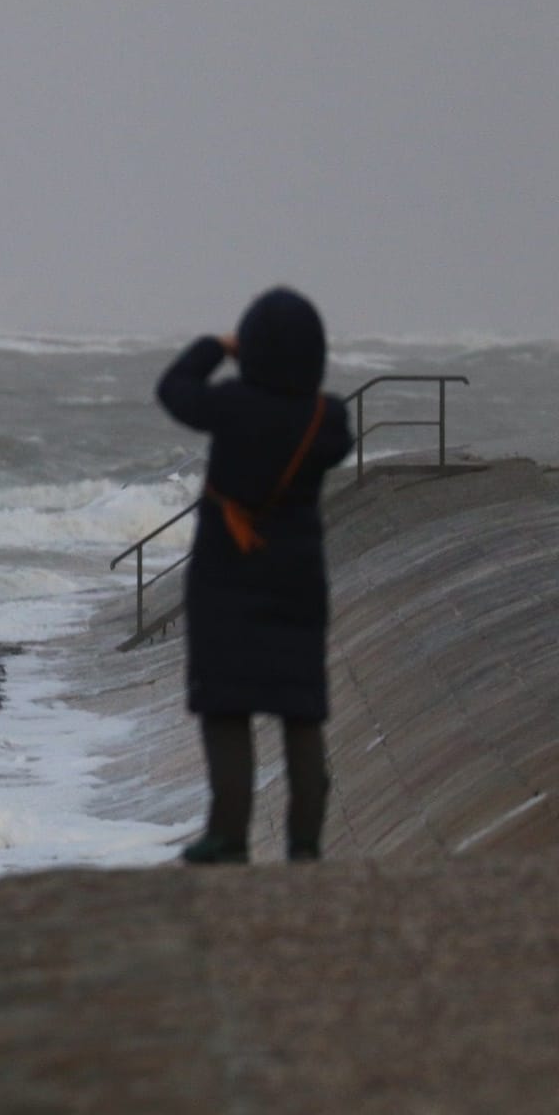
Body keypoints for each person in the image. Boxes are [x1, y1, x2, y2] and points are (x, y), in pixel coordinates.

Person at [156, 287, 355, 864]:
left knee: (227, 705)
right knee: (301, 708)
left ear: (252, 351)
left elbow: (174, 391)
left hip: (226, 581)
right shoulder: (326, 419)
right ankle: (305, 841)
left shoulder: (232, 405)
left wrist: (214, 348)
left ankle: (228, 835)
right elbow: (337, 440)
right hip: (297, 583)